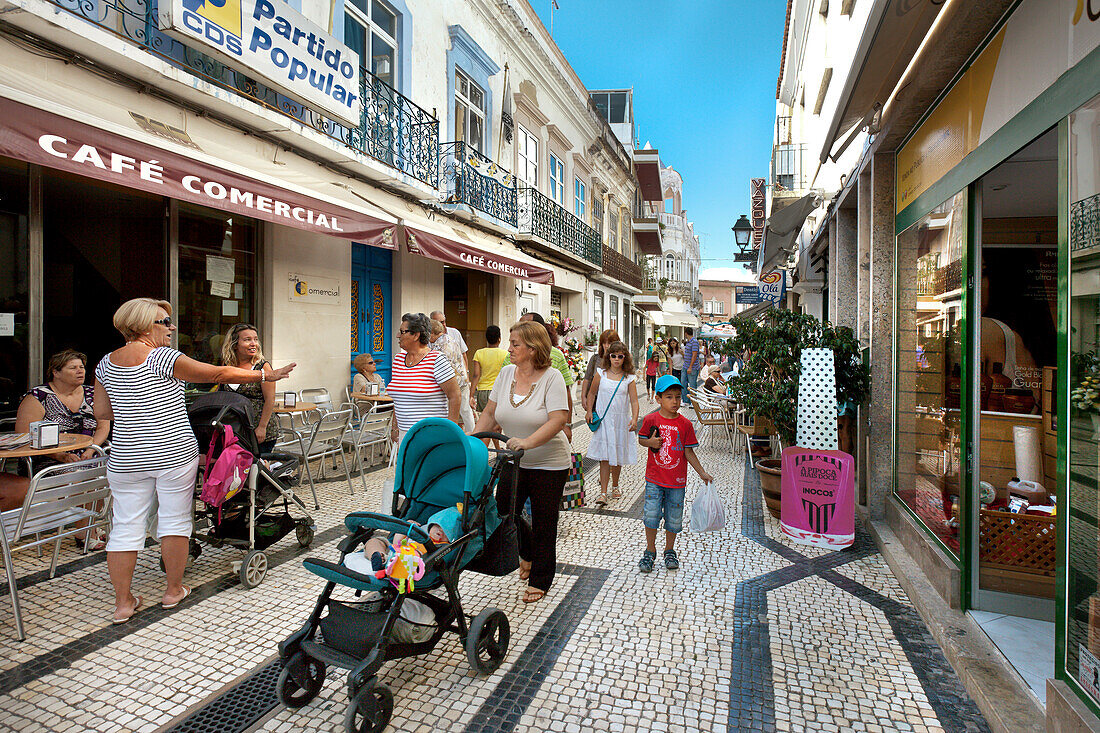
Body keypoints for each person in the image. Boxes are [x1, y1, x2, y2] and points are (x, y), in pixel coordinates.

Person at [94, 298, 295, 624]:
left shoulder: (104, 364)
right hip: (171, 453)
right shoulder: (162, 357)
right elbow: (215, 372)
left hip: (126, 456)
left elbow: (103, 412)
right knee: (174, 521)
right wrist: (264, 377)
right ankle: (173, 591)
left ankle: (123, 603)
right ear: (145, 325)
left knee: (125, 527)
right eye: (165, 322)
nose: (172, 328)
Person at [472, 321, 570, 603]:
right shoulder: (505, 375)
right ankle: (526, 552)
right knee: (504, 512)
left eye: (515, 344)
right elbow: (490, 413)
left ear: (532, 348)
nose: (509, 348)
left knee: (544, 521)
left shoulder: (551, 378)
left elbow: (558, 419)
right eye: (511, 342)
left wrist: (528, 442)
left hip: (549, 462)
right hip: (514, 460)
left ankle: (541, 578)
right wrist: (472, 443)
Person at [14, 348, 112, 549]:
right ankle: (85, 533)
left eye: (82, 367)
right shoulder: (38, 397)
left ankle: (92, 522)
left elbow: (104, 426)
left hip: (88, 452)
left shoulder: (92, 393)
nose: (80, 371)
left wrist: (92, 449)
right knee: (81, 473)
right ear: (56, 372)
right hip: (46, 459)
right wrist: (61, 456)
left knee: (111, 468)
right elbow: (24, 437)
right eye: (72, 367)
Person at [637, 375, 713, 573]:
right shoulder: (650, 419)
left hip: (677, 482)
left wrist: (702, 472)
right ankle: (650, 550)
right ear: (658, 398)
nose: (675, 401)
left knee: (674, 518)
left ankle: (669, 550)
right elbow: (642, 439)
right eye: (669, 397)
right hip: (654, 478)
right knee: (651, 515)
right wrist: (650, 443)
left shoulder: (685, 424)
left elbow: (689, 452)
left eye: (678, 397)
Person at [388, 313, 462, 447]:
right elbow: (399, 399)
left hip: (432, 434)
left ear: (416, 335)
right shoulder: (398, 360)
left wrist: (450, 431)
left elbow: (455, 395)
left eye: (402, 332)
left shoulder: (436, 360)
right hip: (405, 434)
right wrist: (395, 427)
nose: (398, 336)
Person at [584, 341, 639, 504]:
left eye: (620, 356)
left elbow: (634, 401)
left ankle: (615, 486)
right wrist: (588, 411)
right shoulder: (600, 373)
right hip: (604, 421)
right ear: (609, 357)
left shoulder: (629, 378)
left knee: (618, 455)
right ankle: (603, 492)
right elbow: (591, 393)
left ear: (625, 358)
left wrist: (635, 419)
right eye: (613, 355)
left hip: (621, 422)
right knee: (604, 457)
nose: (616, 359)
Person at [504, 312, 575, 438]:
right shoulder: (509, 362)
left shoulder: (557, 357)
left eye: (526, 324)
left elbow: (566, 392)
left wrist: (567, 425)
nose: (521, 327)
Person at [218, 323, 279, 454]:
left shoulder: (262, 367)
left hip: (258, 432)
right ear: (234, 344)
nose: (253, 344)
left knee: (256, 471)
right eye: (247, 340)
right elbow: (220, 396)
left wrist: (262, 428)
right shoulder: (227, 366)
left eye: (256, 339)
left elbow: (270, 399)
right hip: (235, 431)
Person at [429, 318, 476, 431]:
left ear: (432, 333)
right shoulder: (451, 339)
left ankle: (449, 433)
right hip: (462, 379)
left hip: (450, 383)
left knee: (448, 411)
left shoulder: (438, 346)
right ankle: (474, 434)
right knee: (466, 411)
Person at [470, 325, 508, 412]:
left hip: (482, 392)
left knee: (485, 418)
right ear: (499, 339)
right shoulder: (505, 354)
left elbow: (476, 375)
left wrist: (471, 395)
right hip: (499, 391)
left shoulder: (479, 353)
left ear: (486, 338)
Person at [581, 329, 620, 409]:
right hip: (595, 401)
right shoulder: (595, 359)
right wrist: (583, 397)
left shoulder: (619, 360)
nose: (606, 346)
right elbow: (587, 378)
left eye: (609, 343)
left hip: (613, 401)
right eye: (604, 343)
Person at [682, 327, 701, 405]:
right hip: (685, 366)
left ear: (686, 333)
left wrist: (690, 367)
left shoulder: (694, 342)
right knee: (683, 383)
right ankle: (686, 401)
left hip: (692, 367)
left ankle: (693, 402)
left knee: (692, 385)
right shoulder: (688, 342)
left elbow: (694, 355)